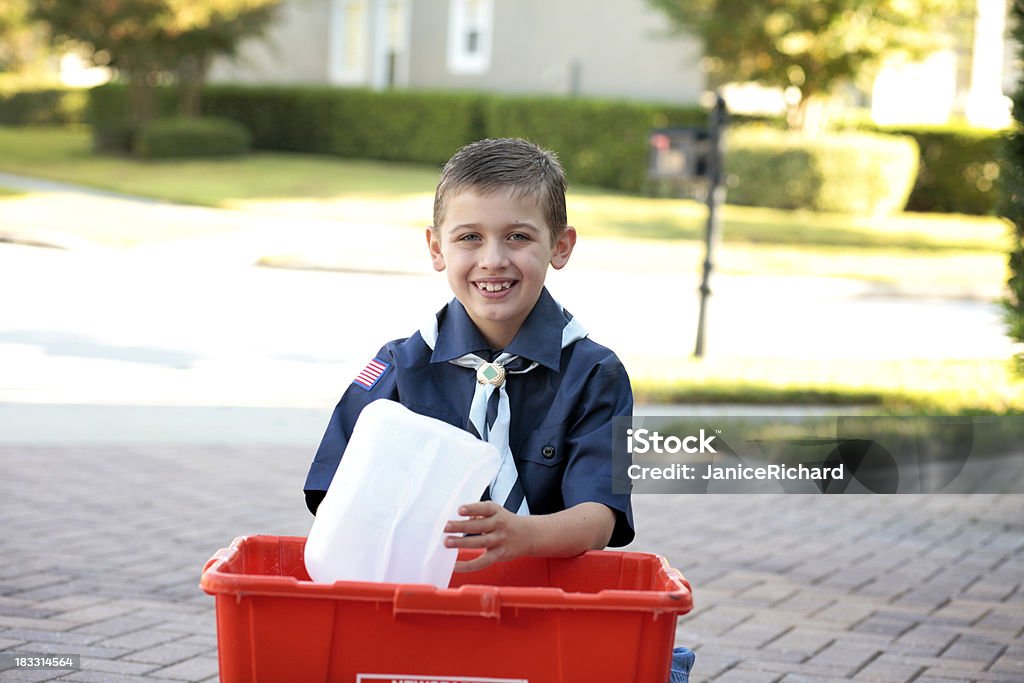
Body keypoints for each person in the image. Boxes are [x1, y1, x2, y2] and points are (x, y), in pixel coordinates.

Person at [303, 137, 694, 682]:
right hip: (418, 618)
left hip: (549, 616)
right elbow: (334, 495)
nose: (493, 259)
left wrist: (521, 537)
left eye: (518, 236)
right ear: (436, 248)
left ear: (560, 246)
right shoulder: (399, 364)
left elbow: (600, 517)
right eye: (469, 237)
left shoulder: (595, 375)